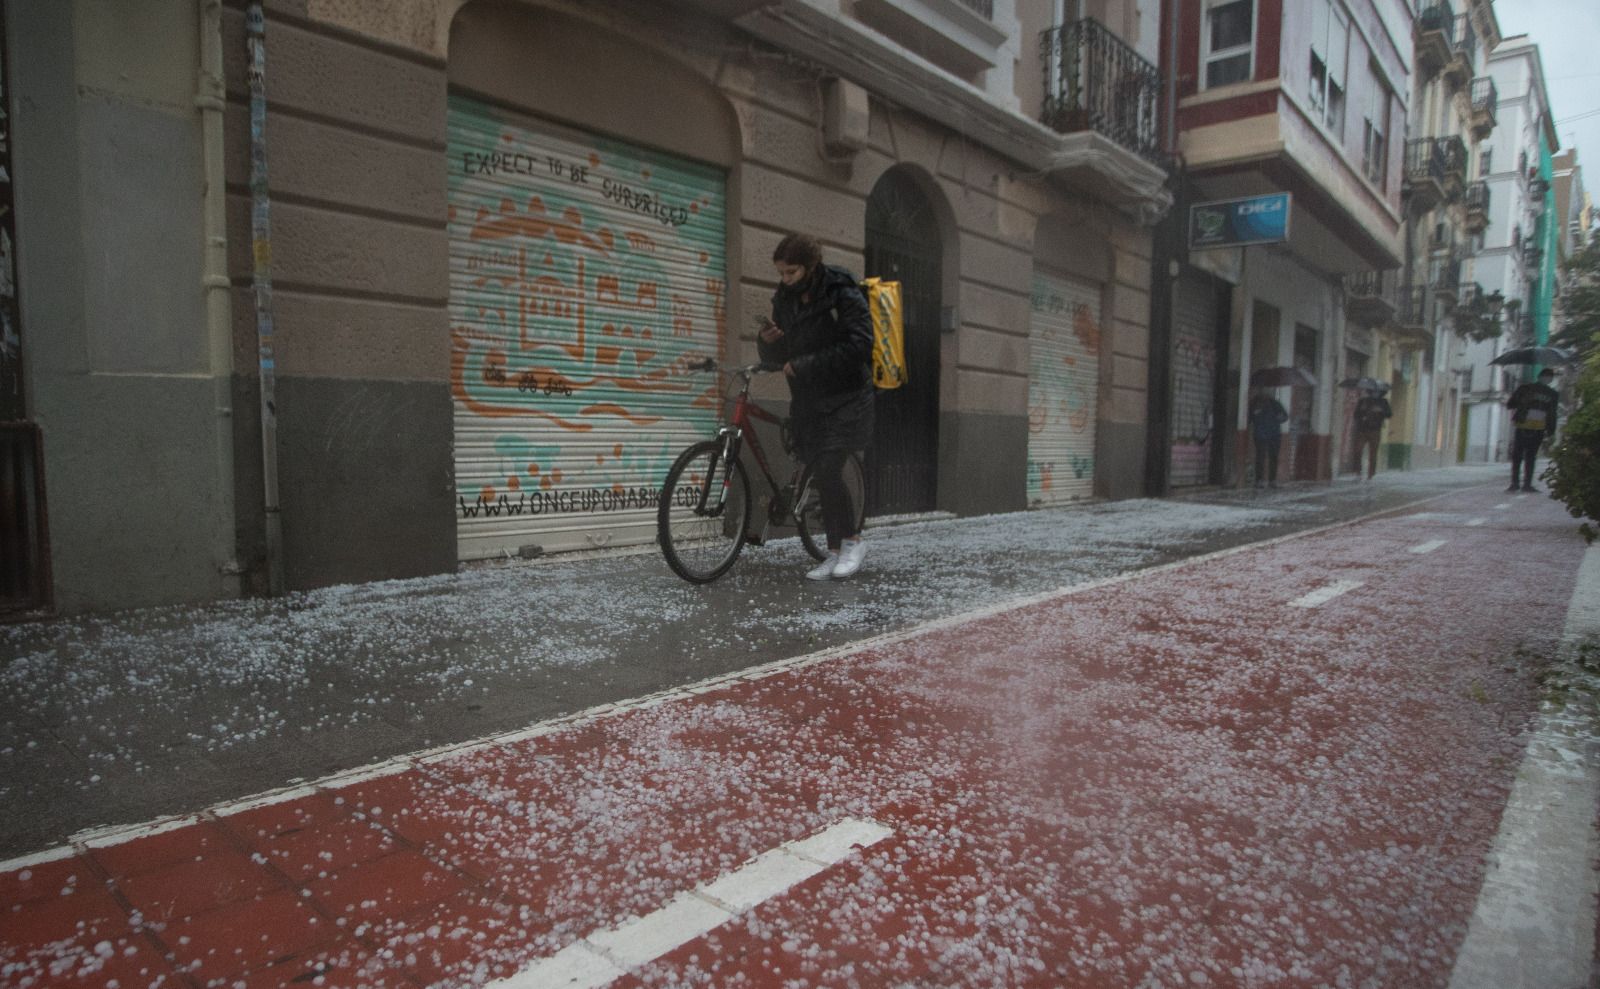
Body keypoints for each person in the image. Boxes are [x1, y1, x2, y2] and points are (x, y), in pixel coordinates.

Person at [757, 233, 874, 580]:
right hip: (809, 399)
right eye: (781, 273)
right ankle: (834, 551)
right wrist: (769, 344)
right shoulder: (785, 298)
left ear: (810, 266)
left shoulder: (840, 290)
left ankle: (853, 542)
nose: (785, 279)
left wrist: (806, 364)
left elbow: (860, 345)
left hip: (847, 396)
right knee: (821, 475)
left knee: (827, 468)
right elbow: (781, 356)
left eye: (791, 272)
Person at [1505, 367, 1559, 492]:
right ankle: (1523, 484)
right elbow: (1511, 404)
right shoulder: (1549, 393)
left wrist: (1551, 429)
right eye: (1547, 377)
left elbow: (1510, 404)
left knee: (1521, 455)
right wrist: (1551, 430)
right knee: (1527, 456)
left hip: (1529, 426)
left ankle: (1518, 483)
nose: (1547, 379)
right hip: (1530, 426)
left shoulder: (1526, 389)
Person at [1247, 387, 1288, 489]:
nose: (1266, 392)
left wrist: (1279, 418)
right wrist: (1255, 415)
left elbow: (1285, 416)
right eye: (1264, 390)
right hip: (1260, 434)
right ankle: (1259, 480)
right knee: (1260, 457)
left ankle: (1272, 480)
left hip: (1274, 434)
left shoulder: (1274, 403)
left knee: (1273, 457)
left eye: (1268, 390)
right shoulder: (1254, 403)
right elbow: (1248, 418)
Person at [1352, 386, 1392, 481]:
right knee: (1358, 450)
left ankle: (1371, 474)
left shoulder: (1383, 402)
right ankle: (1358, 471)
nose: (1375, 393)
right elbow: (1356, 414)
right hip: (1362, 429)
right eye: (1373, 391)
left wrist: (1380, 411)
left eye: (1377, 392)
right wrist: (1363, 411)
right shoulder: (1363, 401)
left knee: (1373, 453)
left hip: (1375, 430)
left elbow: (1389, 414)